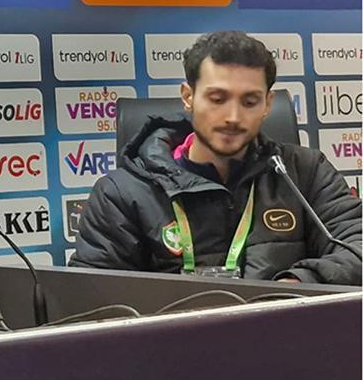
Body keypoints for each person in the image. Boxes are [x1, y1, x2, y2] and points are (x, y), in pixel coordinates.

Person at [70, 31, 361, 286]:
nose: (233, 117)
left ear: (267, 104)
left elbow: (357, 247)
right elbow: (94, 297)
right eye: (218, 99)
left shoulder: (305, 173)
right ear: (188, 96)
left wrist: (296, 285)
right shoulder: (121, 193)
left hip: (284, 328)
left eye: (249, 101)